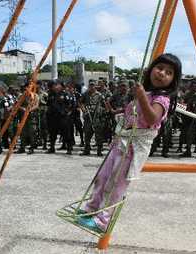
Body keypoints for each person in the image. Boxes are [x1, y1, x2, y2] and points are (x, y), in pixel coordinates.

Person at [77, 53, 182, 233]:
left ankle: (103, 220)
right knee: (102, 176)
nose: (162, 73)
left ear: (173, 80)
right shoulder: (145, 92)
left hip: (135, 147)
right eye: (160, 68)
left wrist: (141, 97)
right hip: (121, 142)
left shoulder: (162, 99)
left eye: (169, 72)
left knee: (116, 183)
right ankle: (92, 207)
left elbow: (151, 119)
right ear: (151, 70)